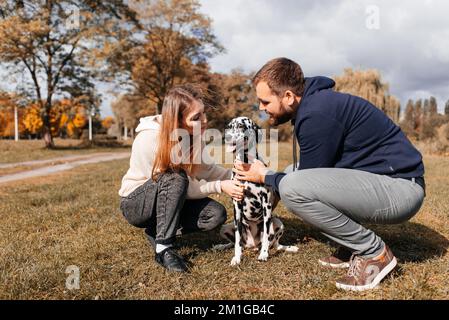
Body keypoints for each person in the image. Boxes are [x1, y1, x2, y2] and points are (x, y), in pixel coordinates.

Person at [233, 57, 425, 291]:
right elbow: (309, 172)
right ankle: (351, 244)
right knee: (292, 173)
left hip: (400, 191)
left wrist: (264, 176)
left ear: (289, 97)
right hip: (388, 183)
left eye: (265, 101)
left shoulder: (316, 113)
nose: (261, 108)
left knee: (292, 187)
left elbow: (302, 182)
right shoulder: (316, 104)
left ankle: (372, 252)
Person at [119, 84, 244, 273]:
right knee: (175, 176)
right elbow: (175, 184)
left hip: (172, 197)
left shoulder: (194, 135)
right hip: (137, 204)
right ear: (176, 120)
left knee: (215, 215)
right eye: (196, 118)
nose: (205, 120)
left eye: (203, 113)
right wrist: (220, 186)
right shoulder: (149, 138)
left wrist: (239, 175)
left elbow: (207, 170)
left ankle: (156, 231)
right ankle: (164, 248)